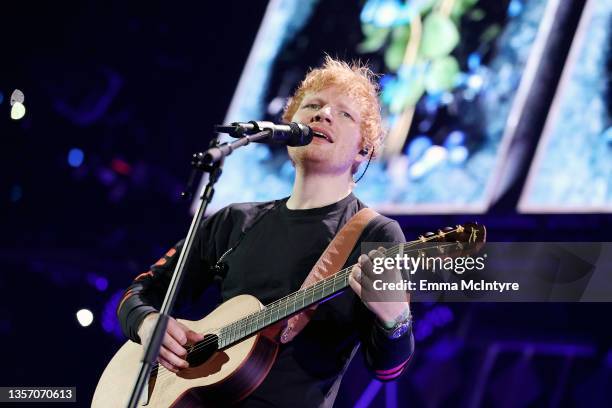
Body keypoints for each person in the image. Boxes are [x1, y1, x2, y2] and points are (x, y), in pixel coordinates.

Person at [117, 56, 414, 407]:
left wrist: (396, 320)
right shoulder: (235, 221)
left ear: (364, 150)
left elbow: (387, 370)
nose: (323, 115)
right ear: (289, 126)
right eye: (313, 106)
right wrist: (148, 322)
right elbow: (140, 293)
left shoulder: (376, 233)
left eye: (344, 113)